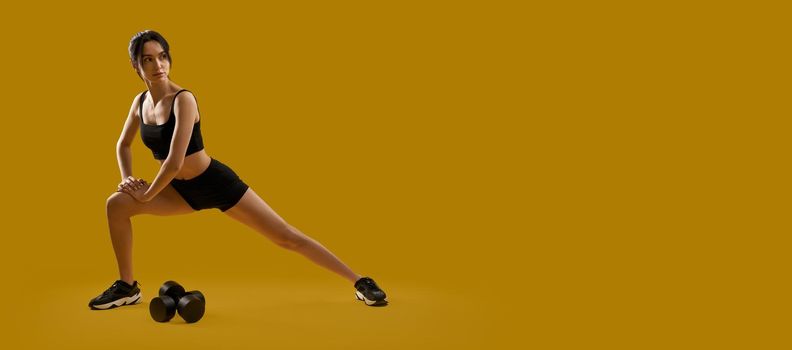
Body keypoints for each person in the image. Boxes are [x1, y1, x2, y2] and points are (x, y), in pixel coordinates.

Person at [88, 30, 388, 310]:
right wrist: (127, 179)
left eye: (163, 56)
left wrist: (146, 194)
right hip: (179, 192)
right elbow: (122, 145)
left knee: (286, 237)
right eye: (148, 59)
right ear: (135, 66)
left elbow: (175, 161)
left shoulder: (183, 100)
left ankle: (360, 281)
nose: (158, 64)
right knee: (115, 204)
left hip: (214, 182)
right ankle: (128, 287)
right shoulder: (139, 103)